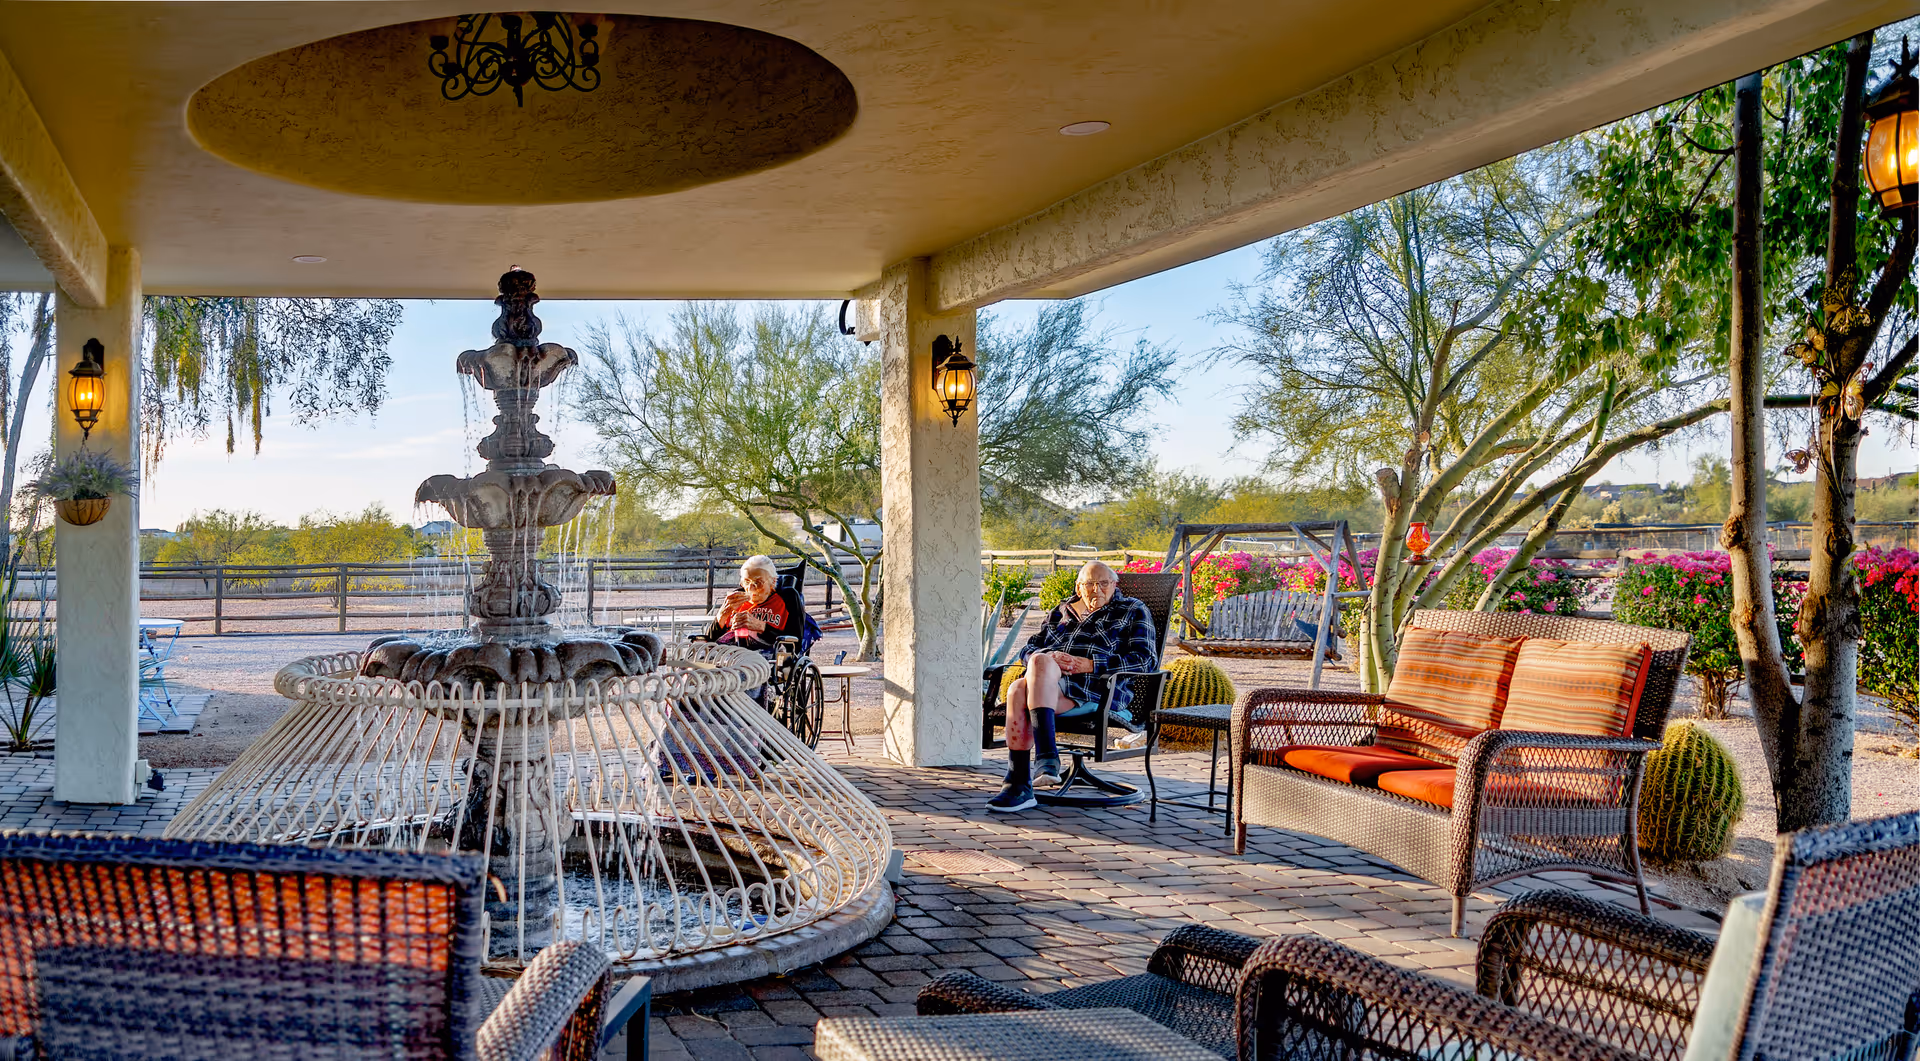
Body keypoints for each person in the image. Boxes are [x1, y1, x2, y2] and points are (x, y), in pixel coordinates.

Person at [989, 561, 1160, 813]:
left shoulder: (1132, 609)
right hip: (1050, 688)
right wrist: (1050, 658)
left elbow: (1146, 661)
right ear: (1079, 588)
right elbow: (1028, 648)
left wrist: (1089, 664)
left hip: (1097, 690)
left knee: (1020, 687)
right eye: (1090, 584)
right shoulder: (1061, 612)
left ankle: (1021, 781)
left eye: (1103, 583)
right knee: (1022, 681)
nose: (1097, 590)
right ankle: (1037, 769)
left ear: (1114, 585)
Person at [705, 555, 806, 652]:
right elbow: (709, 642)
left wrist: (762, 627)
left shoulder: (788, 597)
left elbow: (796, 645)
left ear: (773, 582)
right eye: (746, 581)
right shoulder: (736, 599)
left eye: (758, 582)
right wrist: (722, 616)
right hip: (729, 657)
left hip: (767, 661)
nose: (750, 588)